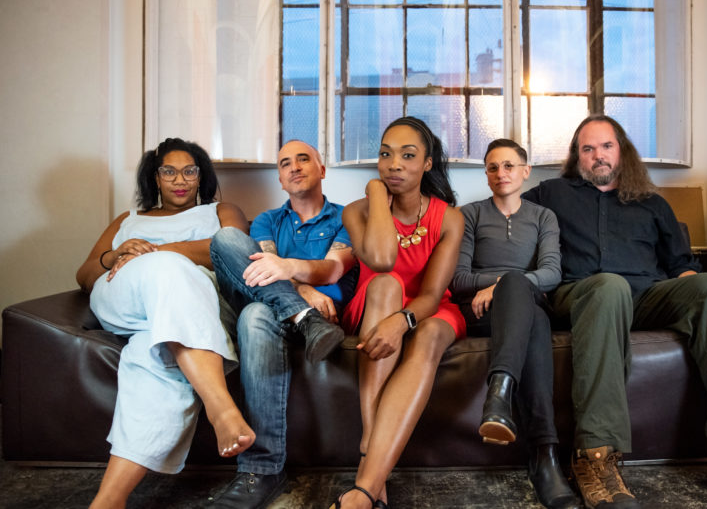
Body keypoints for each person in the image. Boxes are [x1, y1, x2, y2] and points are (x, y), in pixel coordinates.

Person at [521, 114, 707, 509]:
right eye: (588, 148)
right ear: (576, 156)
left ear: (622, 151)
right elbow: (504, 215)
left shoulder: (652, 203)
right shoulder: (551, 193)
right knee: (609, 285)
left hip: (647, 297)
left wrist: (694, 293)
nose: (598, 155)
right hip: (583, 296)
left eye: (606, 146)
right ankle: (594, 458)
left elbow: (681, 266)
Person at [75, 138, 255, 508]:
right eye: (169, 171)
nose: (180, 179)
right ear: (154, 178)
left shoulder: (222, 211)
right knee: (168, 270)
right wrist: (117, 253)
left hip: (188, 310)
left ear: (201, 177)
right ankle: (218, 405)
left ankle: (109, 500)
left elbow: (234, 250)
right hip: (123, 298)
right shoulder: (128, 220)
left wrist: (159, 252)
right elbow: (85, 274)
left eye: (190, 171)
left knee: (157, 359)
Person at [206, 140, 356, 508]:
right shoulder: (267, 221)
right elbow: (261, 272)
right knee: (226, 239)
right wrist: (303, 292)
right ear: (279, 178)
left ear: (322, 169)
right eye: (285, 162)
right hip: (300, 314)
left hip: (327, 316)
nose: (294, 166)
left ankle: (262, 470)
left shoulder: (347, 218)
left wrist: (295, 274)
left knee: (254, 315)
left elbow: (334, 267)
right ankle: (304, 319)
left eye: (303, 158)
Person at [330, 116, 465, 509]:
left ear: (427, 163)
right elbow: (383, 260)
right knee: (386, 284)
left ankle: (365, 488)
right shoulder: (356, 212)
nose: (394, 164)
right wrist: (375, 193)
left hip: (427, 309)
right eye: (386, 154)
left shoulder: (450, 219)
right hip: (374, 303)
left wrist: (402, 321)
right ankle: (371, 441)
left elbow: (431, 294)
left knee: (428, 336)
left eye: (408, 155)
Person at [450, 139, 579, 509]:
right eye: (492, 167)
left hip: (525, 306)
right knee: (530, 309)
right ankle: (545, 457)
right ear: (486, 175)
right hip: (480, 313)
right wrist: (508, 282)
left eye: (509, 166)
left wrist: (506, 284)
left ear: (525, 171)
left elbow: (552, 273)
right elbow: (458, 278)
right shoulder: (469, 214)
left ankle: (501, 394)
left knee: (531, 310)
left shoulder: (543, 217)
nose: (500, 173)